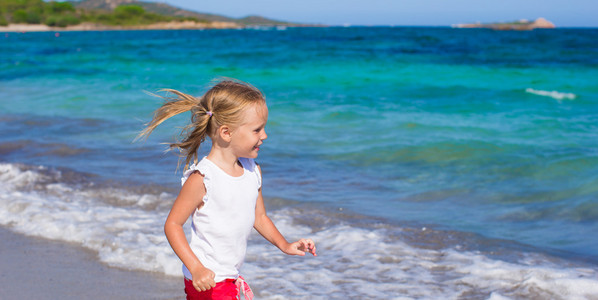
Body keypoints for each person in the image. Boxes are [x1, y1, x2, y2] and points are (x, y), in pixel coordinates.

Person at [137, 79, 317, 300]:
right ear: (226, 133)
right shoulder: (203, 178)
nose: (265, 135)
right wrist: (196, 268)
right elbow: (172, 225)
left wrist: (285, 245)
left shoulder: (253, 171)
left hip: (229, 278)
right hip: (208, 280)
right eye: (257, 129)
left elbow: (259, 217)